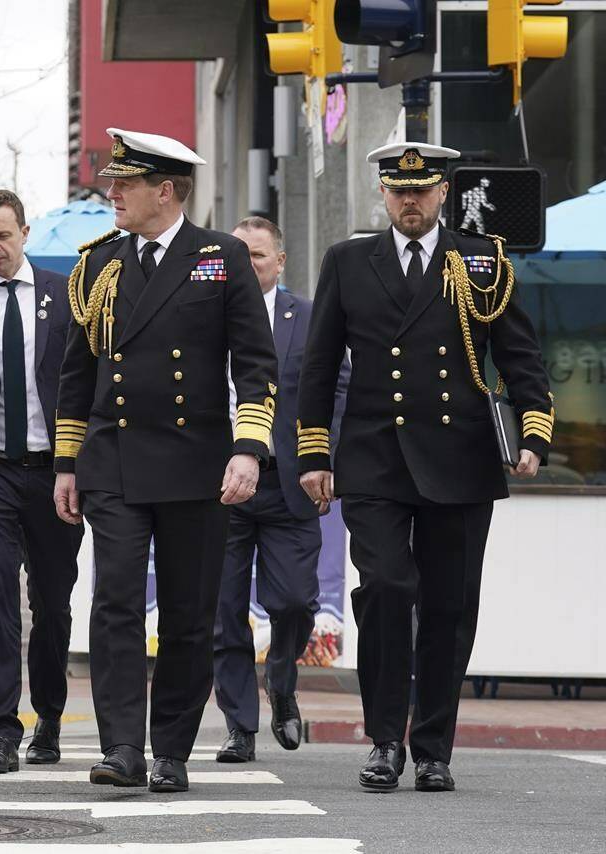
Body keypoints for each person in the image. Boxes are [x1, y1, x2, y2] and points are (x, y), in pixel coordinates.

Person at [298, 142, 553, 793]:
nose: (409, 201)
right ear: (383, 195)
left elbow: (519, 353)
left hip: (460, 459)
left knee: (448, 607)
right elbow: (319, 365)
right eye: (397, 190)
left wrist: (532, 430)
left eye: (421, 190)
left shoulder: (480, 258)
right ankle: (386, 739)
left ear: (443, 192)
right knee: (385, 590)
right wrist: (313, 453)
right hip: (376, 462)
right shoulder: (350, 261)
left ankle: (433, 746)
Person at [54, 129, 278, 794]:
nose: (112, 192)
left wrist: (249, 450)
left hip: (196, 462)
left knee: (188, 609)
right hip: (116, 459)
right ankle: (122, 744)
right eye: (112, 181)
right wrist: (68, 463)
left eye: (126, 183)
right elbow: (77, 373)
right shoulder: (98, 264)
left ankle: (171, 747)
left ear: (166, 191)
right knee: (115, 601)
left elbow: (257, 366)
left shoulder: (223, 256)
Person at [0, 188, 84, 773]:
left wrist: (79, 465)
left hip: (56, 473)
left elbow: (88, 383)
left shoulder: (67, 295)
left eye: (3, 235)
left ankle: (50, 719)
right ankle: (1, 731)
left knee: (52, 605)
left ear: (25, 233)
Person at [213, 217, 348, 763]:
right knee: (224, 610)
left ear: (280, 262)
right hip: (220, 485)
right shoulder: (205, 316)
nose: (249, 265)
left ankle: (283, 680)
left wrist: (325, 459)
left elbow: (337, 390)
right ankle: (239, 726)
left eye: (259, 256)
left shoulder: (311, 319)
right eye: (239, 255)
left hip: (289, 483)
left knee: (292, 601)